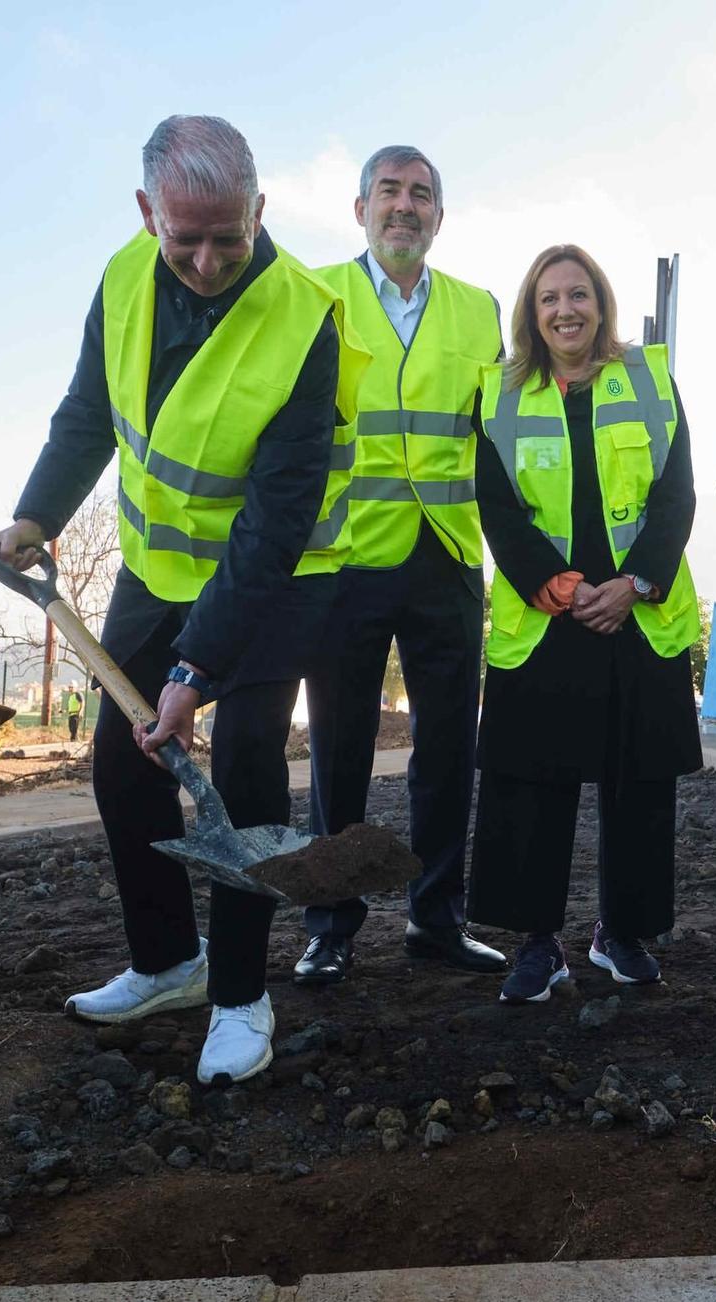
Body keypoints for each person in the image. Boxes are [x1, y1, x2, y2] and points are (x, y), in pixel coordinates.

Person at [0, 115, 364, 1086]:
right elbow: (86, 415)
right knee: (120, 766)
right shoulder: (119, 280)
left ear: (259, 211)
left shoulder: (305, 318)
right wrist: (34, 518)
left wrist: (196, 672)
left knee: (240, 779)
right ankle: (167, 962)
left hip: (274, 580)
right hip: (155, 568)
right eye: (181, 236)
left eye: (226, 238)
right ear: (146, 211)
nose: (203, 260)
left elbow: (275, 522)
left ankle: (239, 995)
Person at [296, 147, 508, 985]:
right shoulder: (315, 296)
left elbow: (496, 435)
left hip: (447, 553)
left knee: (450, 747)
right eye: (390, 191)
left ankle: (437, 916)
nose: (405, 207)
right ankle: (332, 925)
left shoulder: (480, 309)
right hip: (346, 557)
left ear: (440, 217)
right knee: (339, 749)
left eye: (421, 195)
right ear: (359, 208)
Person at [468, 245, 701, 1004]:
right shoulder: (500, 395)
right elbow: (497, 507)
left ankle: (620, 934)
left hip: (636, 610)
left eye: (578, 295)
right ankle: (539, 944)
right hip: (548, 617)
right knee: (531, 785)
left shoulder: (650, 379)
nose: (564, 310)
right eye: (548, 300)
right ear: (531, 315)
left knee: (639, 784)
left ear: (600, 302)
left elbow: (677, 494)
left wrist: (633, 584)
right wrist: (563, 588)